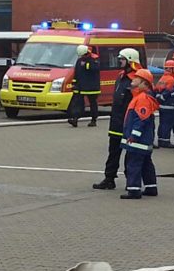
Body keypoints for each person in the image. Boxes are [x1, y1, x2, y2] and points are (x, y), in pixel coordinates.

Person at [93, 48, 141, 191]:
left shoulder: (136, 79)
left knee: (130, 153)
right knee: (113, 151)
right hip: (116, 121)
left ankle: (131, 181)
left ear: (130, 60)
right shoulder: (120, 76)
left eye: (122, 59)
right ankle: (109, 179)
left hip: (128, 122)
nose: (119, 61)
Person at [120, 68, 160, 199]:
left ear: (144, 84)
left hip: (138, 142)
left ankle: (134, 190)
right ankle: (151, 187)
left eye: (137, 79)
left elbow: (140, 120)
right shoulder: (140, 97)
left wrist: (133, 136)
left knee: (134, 164)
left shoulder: (142, 99)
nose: (133, 80)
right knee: (146, 164)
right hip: (143, 141)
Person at [68, 44, 100, 127]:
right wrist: (74, 83)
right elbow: (77, 73)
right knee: (78, 103)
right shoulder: (80, 60)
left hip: (92, 86)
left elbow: (94, 69)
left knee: (93, 103)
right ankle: (75, 119)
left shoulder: (94, 59)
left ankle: (94, 120)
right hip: (81, 86)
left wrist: (87, 63)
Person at [154, 59, 174, 148]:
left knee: (162, 123)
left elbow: (156, 90)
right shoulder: (171, 79)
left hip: (162, 106)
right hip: (169, 105)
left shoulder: (162, 78)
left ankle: (161, 140)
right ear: (170, 69)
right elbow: (170, 92)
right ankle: (165, 141)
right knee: (167, 124)